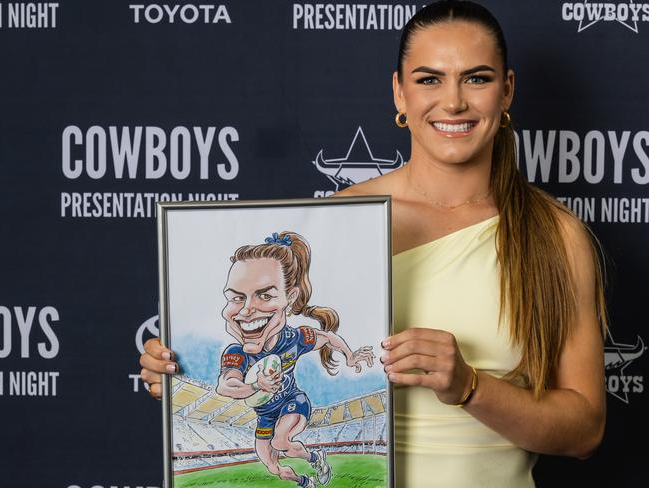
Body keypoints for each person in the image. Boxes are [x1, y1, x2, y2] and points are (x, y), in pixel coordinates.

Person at [140, 2, 606, 486]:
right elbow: (262, 339)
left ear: (506, 90)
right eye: (429, 79)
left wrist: (469, 386)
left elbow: (584, 431)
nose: (452, 102)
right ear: (399, 93)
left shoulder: (552, 234)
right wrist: (179, 375)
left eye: (476, 78)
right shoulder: (342, 223)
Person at [215, 231, 375, 487]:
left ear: (289, 298)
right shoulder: (237, 353)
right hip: (265, 415)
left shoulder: (295, 338)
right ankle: (305, 480)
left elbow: (327, 337)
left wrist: (350, 356)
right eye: (236, 297)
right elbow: (225, 385)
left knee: (281, 441)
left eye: (265, 295)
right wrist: (256, 387)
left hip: (293, 401)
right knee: (271, 464)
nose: (245, 310)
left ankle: (313, 457)